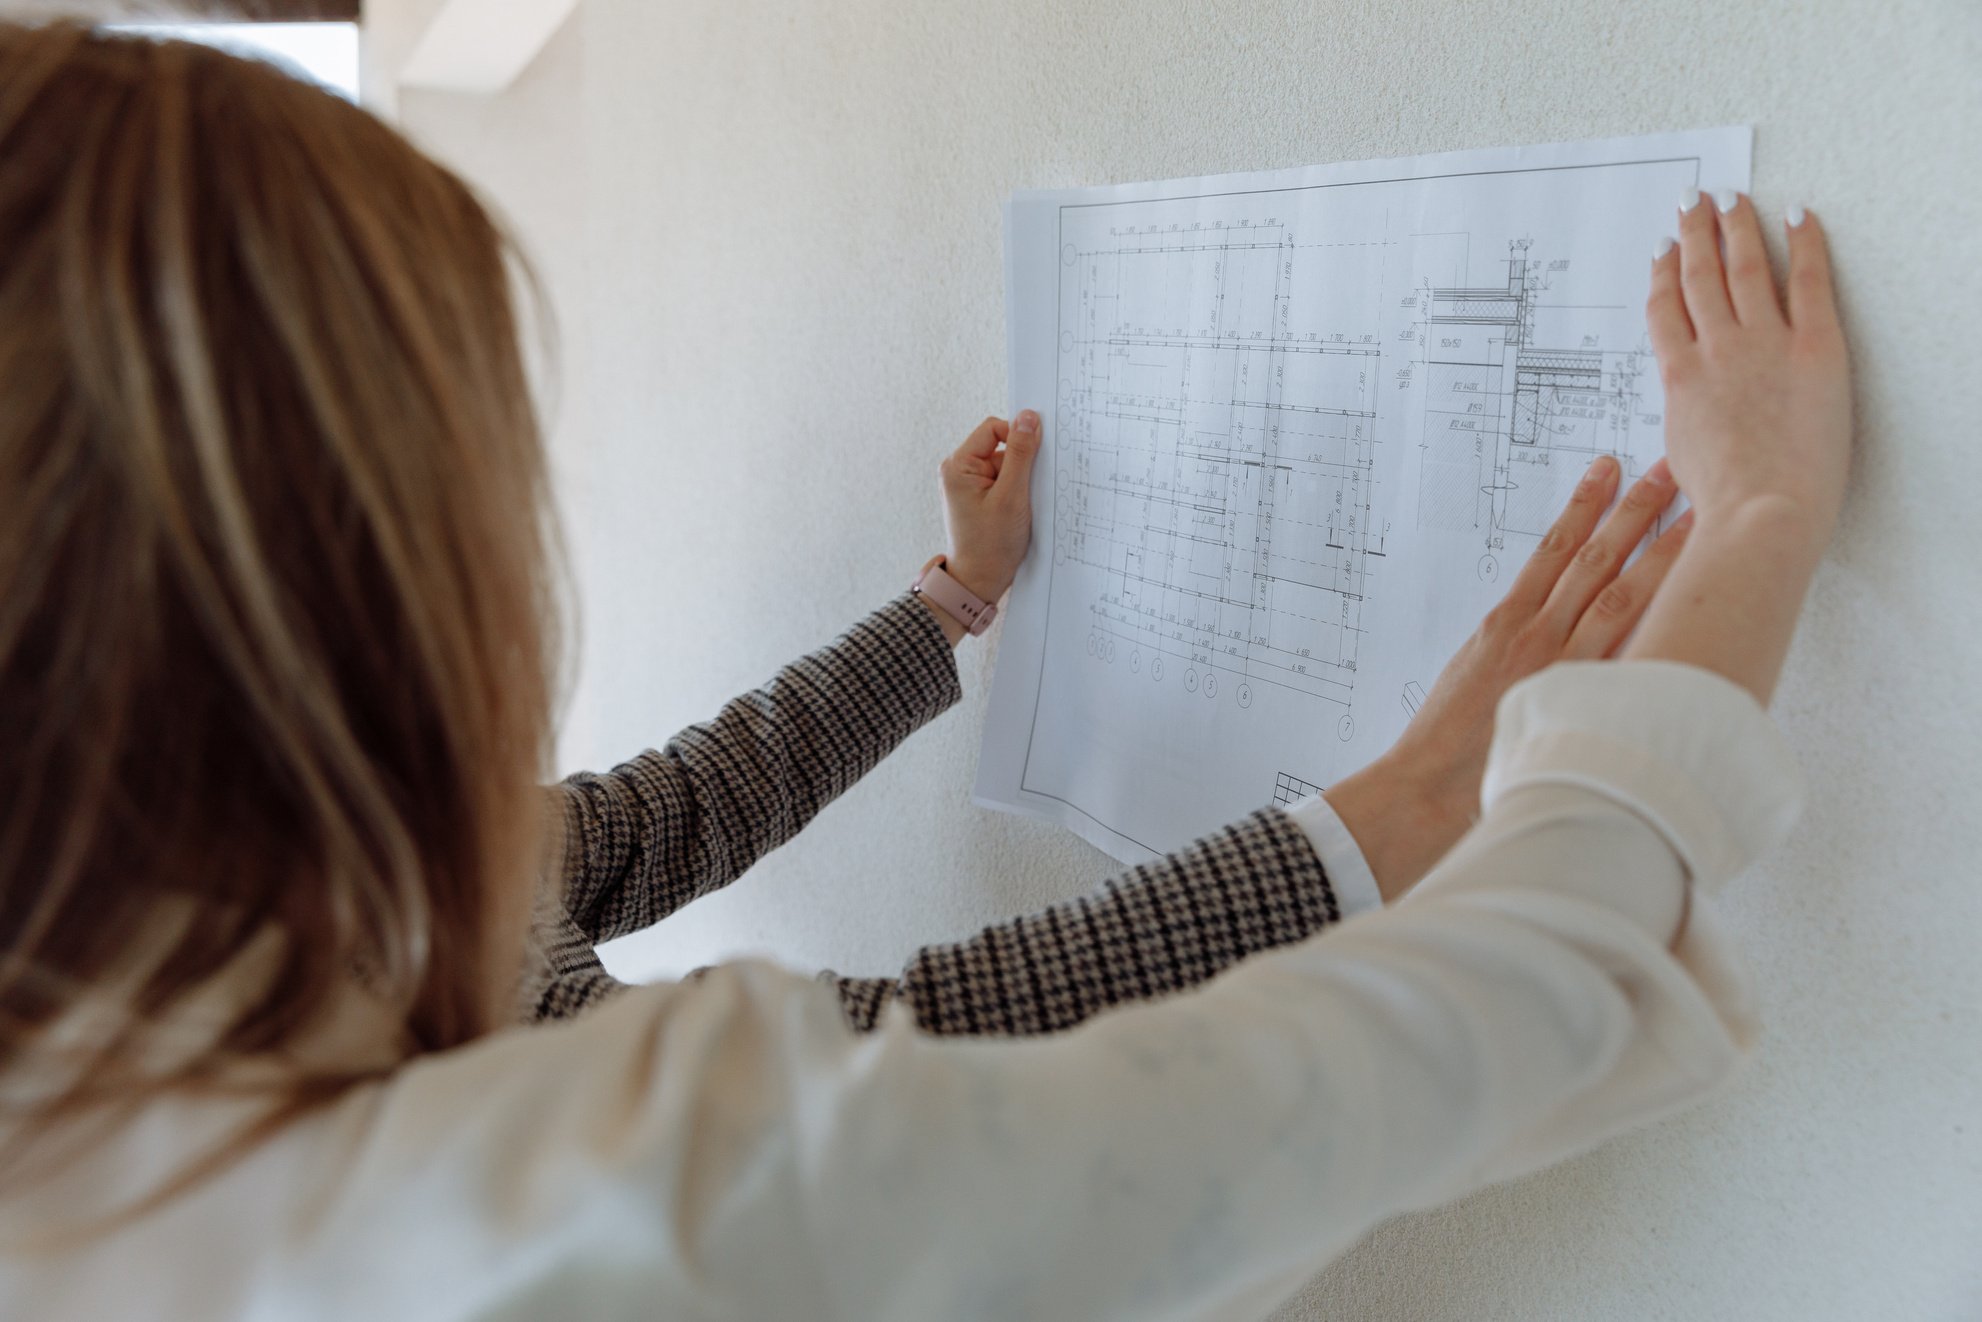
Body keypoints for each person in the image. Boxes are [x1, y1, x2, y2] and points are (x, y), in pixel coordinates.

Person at [0, 24, 1851, 1322]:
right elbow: (964, 1062)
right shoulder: (528, 1214)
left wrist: (951, 609)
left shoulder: (203, 917)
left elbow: (646, 820)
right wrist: (1751, 517)